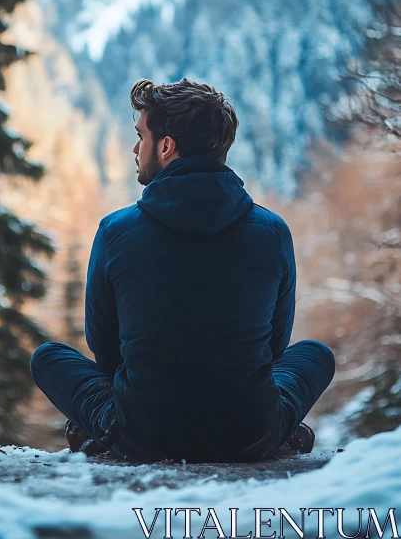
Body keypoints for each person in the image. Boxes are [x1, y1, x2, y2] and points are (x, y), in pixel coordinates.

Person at [30, 77, 335, 462]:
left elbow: (105, 352)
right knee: (315, 354)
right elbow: (274, 349)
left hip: (142, 435)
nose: (136, 148)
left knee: (48, 357)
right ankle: (282, 432)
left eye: (141, 135)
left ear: (167, 146)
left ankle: (101, 432)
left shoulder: (115, 230)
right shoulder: (273, 231)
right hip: (250, 433)